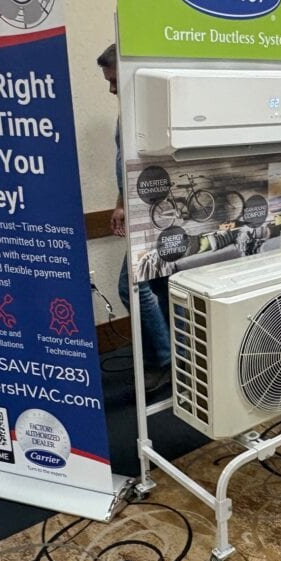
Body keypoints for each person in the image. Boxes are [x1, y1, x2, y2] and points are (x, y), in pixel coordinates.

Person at [97, 44, 172, 392]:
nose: (111, 89)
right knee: (158, 285)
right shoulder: (126, 113)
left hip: (157, 215)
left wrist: (135, 207)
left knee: (132, 287)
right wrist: (120, 203)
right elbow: (126, 164)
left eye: (114, 80)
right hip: (141, 211)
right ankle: (174, 357)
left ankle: (164, 359)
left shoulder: (150, 111)